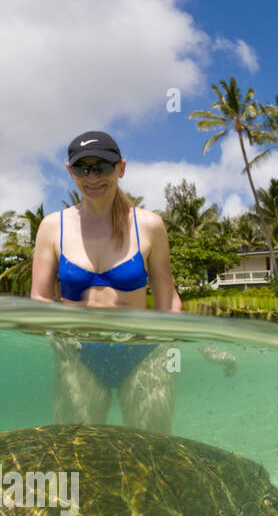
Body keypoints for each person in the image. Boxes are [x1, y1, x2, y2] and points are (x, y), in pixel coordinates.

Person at [30, 130, 183, 432]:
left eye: (101, 167)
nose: (92, 177)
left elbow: (168, 297)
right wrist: (56, 335)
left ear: (121, 168)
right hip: (79, 356)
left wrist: (170, 346)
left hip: (143, 352)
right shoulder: (52, 227)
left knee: (151, 452)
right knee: (73, 453)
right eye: (81, 168)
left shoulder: (149, 226)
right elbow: (40, 297)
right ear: (69, 171)